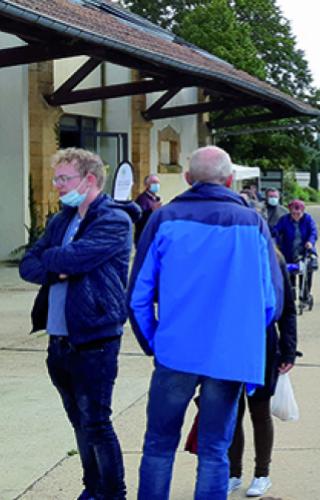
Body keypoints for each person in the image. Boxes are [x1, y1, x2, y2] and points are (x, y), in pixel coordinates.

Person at [130, 146, 283, 499]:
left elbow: (137, 296)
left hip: (175, 353)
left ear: (187, 179)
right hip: (227, 357)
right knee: (215, 452)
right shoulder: (252, 222)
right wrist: (241, 339)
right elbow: (269, 302)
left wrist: (155, 342)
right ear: (230, 179)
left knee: (158, 446)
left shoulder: (164, 218)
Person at [19, 148, 139, 500]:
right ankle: (93, 488)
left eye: (63, 178)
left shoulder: (114, 220)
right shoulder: (62, 220)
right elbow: (28, 263)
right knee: (79, 424)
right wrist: (59, 266)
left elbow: (76, 257)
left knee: (97, 423)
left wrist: (56, 262)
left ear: (89, 180)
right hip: (59, 341)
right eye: (56, 178)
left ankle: (113, 493)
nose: (56, 185)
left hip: (95, 338)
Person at [229, 250, 297, 497]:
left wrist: (288, 350)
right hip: (230, 344)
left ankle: (261, 474)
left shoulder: (273, 259)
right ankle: (233, 473)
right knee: (231, 413)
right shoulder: (231, 253)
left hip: (263, 346)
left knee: (259, 411)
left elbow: (287, 308)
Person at [274, 200, 319, 302]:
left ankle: (305, 296)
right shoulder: (284, 220)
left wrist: (310, 242)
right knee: (290, 275)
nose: (296, 216)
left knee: (306, 275)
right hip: (289, 252)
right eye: (293, 213)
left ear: (302, 211)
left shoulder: (308, 219)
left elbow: (313, 232)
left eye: (298, 213)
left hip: (305, 251)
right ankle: (291, 297)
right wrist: (275, 243)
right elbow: (276, 231)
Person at [134, 174, 162, 243]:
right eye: (154, 182)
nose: (157, 185)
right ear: (147, 185)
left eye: (158, 183)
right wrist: (151, 211)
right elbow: (139, 219)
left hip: (154, 235)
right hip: (144, 237)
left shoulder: (156, 199)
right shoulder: (142, 199)